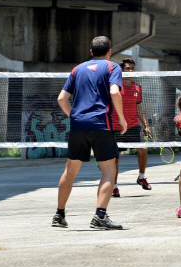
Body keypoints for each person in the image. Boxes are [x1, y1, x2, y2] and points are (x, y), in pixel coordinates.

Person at [52, 36, 127, 230]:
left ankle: (59, 215)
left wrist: (75, 117)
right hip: (102, 124)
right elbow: (115, 92)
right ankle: (100, 216)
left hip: (78, 125)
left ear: (91, 52)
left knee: (70, 171)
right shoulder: (113, 67)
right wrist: (121, 117)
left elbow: (62, 98)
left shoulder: (77, 69)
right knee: (109, 170)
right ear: (109, 52)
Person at [110, 58, 151, 197]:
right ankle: (114, 186)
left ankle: (141, 177)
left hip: (133, 126)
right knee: (116, 157)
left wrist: (146, 125)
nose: (130, 71)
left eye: (132, 68)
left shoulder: (137, 88)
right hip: (117, 127)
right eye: (127, 68)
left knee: (143, 150)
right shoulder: (115, 87)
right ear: (122, 70)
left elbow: (138, 108)